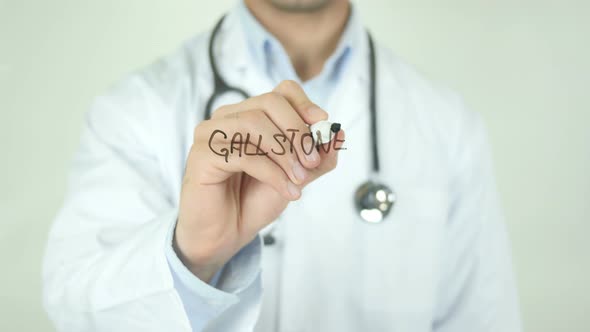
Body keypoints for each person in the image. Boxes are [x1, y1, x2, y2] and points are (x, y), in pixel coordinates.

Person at [42, 0, 522, 331]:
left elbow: (481, 322)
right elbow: (77, 314)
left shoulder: (449, 126)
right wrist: (193, 254)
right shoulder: (135, 110)